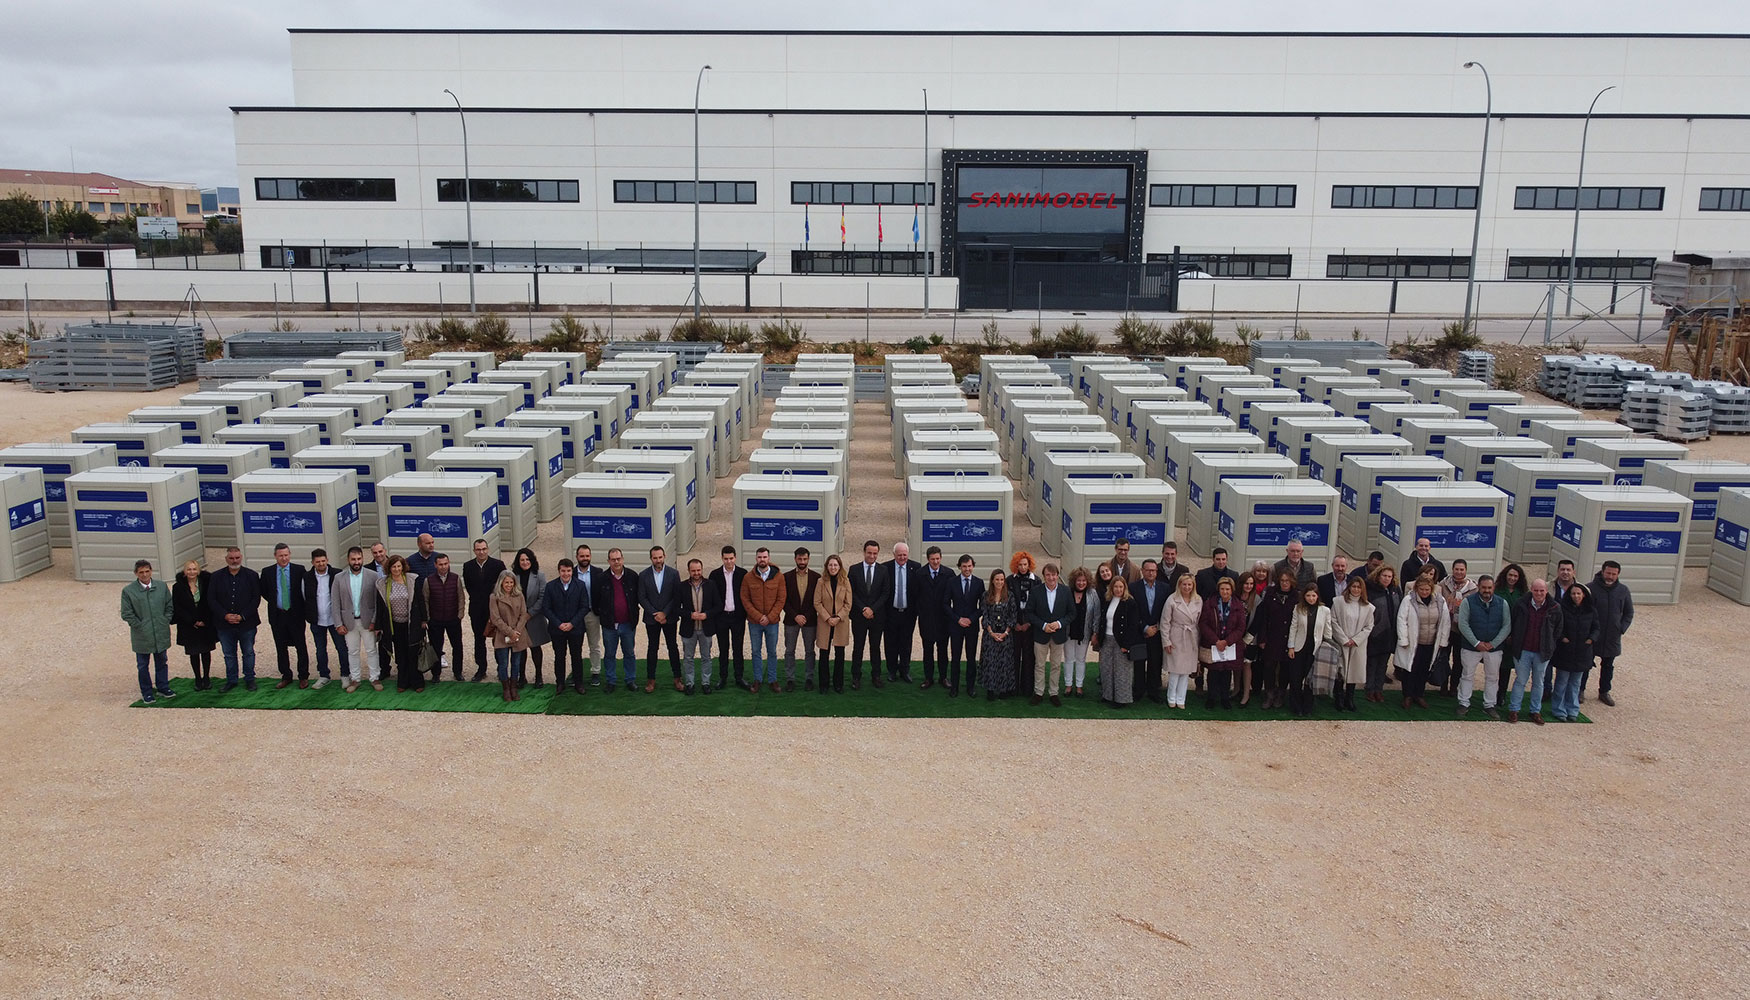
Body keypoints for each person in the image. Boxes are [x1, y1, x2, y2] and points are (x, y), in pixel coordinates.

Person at [1455, 574, 1510, 720]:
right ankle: (1464, 702)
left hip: (1494, 648)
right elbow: (1463, 624)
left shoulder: (1502, 603)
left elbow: (1506, 626)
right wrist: (1476, 643)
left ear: (1493, 588)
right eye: (1484, 587)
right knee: (1467, 675)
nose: (1487, 590)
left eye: (1489, 588)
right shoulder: (1467, 602)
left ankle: (1489, 705)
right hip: (1471, 647)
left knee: (1492, 677)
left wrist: (1494, 643)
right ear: (1479, 587)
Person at [1507, 578, 1561, 725]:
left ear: (1546, 591)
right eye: (1536, 590)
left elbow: (1558, 630)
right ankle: (1514, 710)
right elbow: (1513, 623)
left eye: (1542, 590)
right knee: (1520, 681)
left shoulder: (1554, 607)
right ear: (1531, 590)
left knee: (1539, 682)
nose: (1539, 593)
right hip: (1523, 650)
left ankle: (1535, 711)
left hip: (1542, 652)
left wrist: (1550, 645)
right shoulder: (1520, 604)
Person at [120, 559, 175, 703]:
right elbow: (126, 613)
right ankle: (147, 691)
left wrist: (164, 620)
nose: (144, 575)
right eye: (141, 572)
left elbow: (169, 606)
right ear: (136, 574)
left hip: (160, 631)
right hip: (142, 635)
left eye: (147, 571)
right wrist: (139, 625)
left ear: (151, 571)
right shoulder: (128, 591)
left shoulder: (162, 587)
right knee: (143, 665)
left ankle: (163, 687)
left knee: (162, 661)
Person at [260, 543, 312, 690]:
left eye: (286, 555)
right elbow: (264, 591)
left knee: (300, 646)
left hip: (295, 615)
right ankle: (286, 675)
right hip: (278, 615)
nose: (284, 558)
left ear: (290, 555)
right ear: (275, 556)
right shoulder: (267, 572)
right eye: (281, 555)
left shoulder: (299, 570)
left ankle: (303, 676)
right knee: (280, 646)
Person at [209, 546, 261, 692]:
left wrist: (242, 616)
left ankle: (250, 679)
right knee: (229, 654)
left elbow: (255, 598)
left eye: (237, 558)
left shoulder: (251, 575)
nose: (234, 560)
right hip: (224, 624)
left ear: (241, 557)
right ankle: (231, 680)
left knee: (248, 652)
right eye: (231, 558)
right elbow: (211, 599)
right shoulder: (216, 577)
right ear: (226, 559)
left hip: (247, 623)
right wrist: (225, 615)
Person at [1395, 574, 1449, 710]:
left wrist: (1443, 640)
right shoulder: (1408, 600)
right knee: (1410, 669)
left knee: (1424, 670)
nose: (1424, 592)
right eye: (1421, 589)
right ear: (1417, 588)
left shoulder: (1440, 601)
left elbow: (1445, 622)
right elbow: (1401, 619)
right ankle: (1407, 695)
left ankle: (1419, 694)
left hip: (1431, 642)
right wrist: (1403, 639)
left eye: (1427, 590)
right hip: (1413, 642)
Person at [375, 555, 427, 693]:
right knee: (401, 654)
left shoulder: (412, 580)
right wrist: (378, 626)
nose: (396, 569)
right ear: (389, 568)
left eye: (399, 566)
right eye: (393, 567)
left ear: (403, 566)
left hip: (412, 624)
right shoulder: (383, 584)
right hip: (395, 625)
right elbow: (380, 607)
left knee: (413, 653)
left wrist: (424, 620)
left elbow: (420, 601)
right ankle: (403, 682)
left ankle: (417, 682)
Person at [332, 546, 381, 693]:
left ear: (362, 559)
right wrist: (338, 623)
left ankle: (374, 678)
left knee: (372, 650)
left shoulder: (373, 576)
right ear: (348, 560)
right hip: (349, 622)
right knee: (352, 651)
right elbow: (335, 602)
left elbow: (378, 602)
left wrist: (374, 620)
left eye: (359, 559)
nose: (356, 562)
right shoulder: (339, 578)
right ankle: (355, 679)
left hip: (367, 621)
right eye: (353, 559)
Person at [1586, 560, 1634, 707]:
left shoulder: (1623, 591)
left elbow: (1629, 612)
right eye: (1608, 573)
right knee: (1585, 663)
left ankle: (1604, 692)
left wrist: (1621, 628)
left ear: (1618, 574)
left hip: (1612, 636)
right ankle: (1580, 690)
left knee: (1608, 665)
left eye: (1614, 574)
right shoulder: (1589, 588)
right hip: (1592, 635)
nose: (1610, 576)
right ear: (1602, 572)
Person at [1025, 562, 1073, 707]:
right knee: (1039, 665)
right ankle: (1038, 692)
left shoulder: (1066, 591)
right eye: (1048, 575)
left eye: (1053, 575)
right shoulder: (1036, 591)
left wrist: (1059, 624)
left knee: (1056, 665)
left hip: (1058, 635)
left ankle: (1054, 693)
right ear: (1044, 576)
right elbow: (1029, 612)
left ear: (1057, 575)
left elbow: (1071, 613)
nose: (1051, 578)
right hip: (1041, 634)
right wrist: (1044, 625)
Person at [1250, 570, 1298, 710]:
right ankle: (1269, 693)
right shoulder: (1271, 594)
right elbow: (1264, 617)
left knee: (1285, 668)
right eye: (1282, 580)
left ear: (1292, 582)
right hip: (1272, 637)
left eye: (1287, 581)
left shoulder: (1296, 596)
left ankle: (1281, 693)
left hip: (1288, 638)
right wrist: (1262, 638)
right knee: (1269, 667)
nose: (1284, 583)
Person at [1551, 581, 1597, 722]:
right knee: (1561, 682)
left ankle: (1573, 709)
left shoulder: (1591, 610)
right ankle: (1558, 709)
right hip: (1565, 651)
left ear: (1583, 595)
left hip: (1583, 652)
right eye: (1573, 593)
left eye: (1578, 593)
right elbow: (1557, 627)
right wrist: (1563, 638)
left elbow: (1596, 628)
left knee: (1575, 684)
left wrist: (1591, 639)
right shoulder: (1562, 609)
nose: (1576, 596)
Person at [639, 545, 684, 692]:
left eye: (660, 557)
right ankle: (651, 680)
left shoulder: (673, 573)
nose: (658, 560)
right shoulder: (643, 575)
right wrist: (655, 613)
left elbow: (676, 596)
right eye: (655, 558)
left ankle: (677, 678)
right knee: (652, 648)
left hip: (669, 618)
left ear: (664, 556)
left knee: (673, 647)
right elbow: (642, 597)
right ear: (651, 558)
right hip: (652, 619)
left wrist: (664, 613)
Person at [1198, 575, 1247, 710]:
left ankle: (1225, 698)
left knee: (1226, 672)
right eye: (1222, 589)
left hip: (1229, 645)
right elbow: (1203, 623)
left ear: (1232, 590)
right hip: (1213, 643)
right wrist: (1216, 640)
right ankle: (1211, 697)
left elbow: (1241, 627)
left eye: (1227, 589)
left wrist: (1227, 641)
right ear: (1218, 589)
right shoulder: (1210, 603)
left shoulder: (1238, 606)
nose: (1225, 592)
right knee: (1213, 672)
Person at [301, 548, 348, 689]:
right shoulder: (306, 577)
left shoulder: (338, 574)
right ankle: (323, 676)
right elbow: (304, 597)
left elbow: (344, 596)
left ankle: (346, 675)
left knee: (341, 648)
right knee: (320, 649)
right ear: (312, 562)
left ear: (327, 560)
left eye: (323, 561)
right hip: (317, 620)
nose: (321, 564)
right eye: (318, 562)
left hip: (335, 620)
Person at [597, 547, 642, 692]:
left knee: (629, 653)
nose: (616, 562)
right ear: (608, 561)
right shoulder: (602, 578)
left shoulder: (633, 576)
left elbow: (637, 598)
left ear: (623, 559)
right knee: (609, 654)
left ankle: (630, 679)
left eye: (618, 559)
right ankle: (611, 680)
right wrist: (604, 616)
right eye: (613, 559)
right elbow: (596, 600)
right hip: (609, 625)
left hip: (628, 623)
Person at [462, 538, 507, 683]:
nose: (481, 552)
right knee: (478, 639)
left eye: (484, 549)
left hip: (495, 609)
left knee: (498, 640)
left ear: (488, 549)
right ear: (474, 551)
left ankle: (501, 669)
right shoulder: (468, 566)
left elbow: (502, 586)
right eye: (478, 549)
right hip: (476, 609)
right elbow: (469, 586)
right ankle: (481, 669)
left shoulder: (498, 565)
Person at [741, 546, 785, 693]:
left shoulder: (779, 577)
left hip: (772, 622)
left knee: (772, 651)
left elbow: (781, 599)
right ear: (756, 559)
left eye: (764, 557)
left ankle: (773, 679)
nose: (762, 559)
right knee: (755, 651)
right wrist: (759, 616)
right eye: (759, 557)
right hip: (755, 623)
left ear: (769, 558)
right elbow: (745, 599)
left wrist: (770, 616)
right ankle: (757, 679)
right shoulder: (748, 578)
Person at [1284, 582, 1331, 717]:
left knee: (1310, 680)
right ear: (1304, 596)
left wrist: (1328, 647)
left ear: (1317, 596)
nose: (1311, 598)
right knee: (1295, 678)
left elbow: (1328, 632)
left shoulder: (1325, 611)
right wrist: (1291, 647)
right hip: (1299, 648)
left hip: (1315, 649)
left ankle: (1308, 706)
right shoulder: (1298, 608)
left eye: (1313, 596)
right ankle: (1296, 706)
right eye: (1308, 595)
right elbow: (1293, 628)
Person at [848, 540, 889, 690]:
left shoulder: (883, 570)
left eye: (875, 553)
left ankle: (876, 675)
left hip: (877, 617)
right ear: (864, 552)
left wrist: (873, 609)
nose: (872, 556)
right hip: (859, 616)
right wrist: (863, 609)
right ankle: (856, 676)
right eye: (869, 553)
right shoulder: (854, 570)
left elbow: (885, 593)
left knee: (875, 647)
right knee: (858, 647)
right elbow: (850, 592)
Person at [418, 554, 465, 686]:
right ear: (435, 565)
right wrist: (427, 618)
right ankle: (436, 674)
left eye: (445, 564)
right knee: (436, 648)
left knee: (457, 646)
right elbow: (425, 600)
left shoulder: (456, 578)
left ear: (449, 563)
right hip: (436, 620)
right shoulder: (429, 580)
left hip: (453, 619)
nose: (443, 566)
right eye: (440, 564)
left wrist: (460, 614)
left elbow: (461, 596)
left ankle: (457, 672)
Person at [543, 559, 588, 692]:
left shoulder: (580, 585)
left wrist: (572, 623)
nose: (566, 574)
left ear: (571, 571)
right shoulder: (550, 586)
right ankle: (560, 683)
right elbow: (546, 608)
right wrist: (558, 624)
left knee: (576, 656)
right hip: (557, 629)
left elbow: (584, 607)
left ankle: (578, 683)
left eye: (568, 571)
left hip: (575, 628)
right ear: (559, 571)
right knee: (559, 656)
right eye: (563, 571)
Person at [882, 542, 925, 684]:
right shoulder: (885, 568)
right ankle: (892, 671)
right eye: (899, 555)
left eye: (904, 555)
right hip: (891, 612)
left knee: (906, 643)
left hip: (908, 613)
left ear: (908, 554)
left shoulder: (916, 568)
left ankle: (905, 670)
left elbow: (918, 591)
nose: (902, 558)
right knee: (890, 642)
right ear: (894, 555)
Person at [1328, 574, 1372, 712]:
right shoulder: (1338, 602)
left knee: (1353, 671)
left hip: (1357, 644)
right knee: (1340, 671)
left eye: (1359, 587)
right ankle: (1339, 697)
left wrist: (1356, 640)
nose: (1356, 589)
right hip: (1342, 642)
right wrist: (1344, 639)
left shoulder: (1368, 607)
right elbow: (1333, 621)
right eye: (1354, 586)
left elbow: (1369, 626)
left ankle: (1350, 698)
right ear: (1349, 587)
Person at [1098, 576, 1144, 707]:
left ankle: (1121, 699)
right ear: (1111, 588)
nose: (1118, 589)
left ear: (1125, 588)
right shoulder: (1107, 600)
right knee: (1106, 668)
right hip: (1107, 639)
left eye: (1121, 587)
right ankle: (1107, 695)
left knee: (1122, 671)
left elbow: (1133, 626)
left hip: (1121, 641)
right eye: (1116, 587)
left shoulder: (1130, 603)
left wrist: (1126, 645)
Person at [170, 560, 215, 690]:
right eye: (189, 569)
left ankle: (206, 677)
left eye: (194, 569)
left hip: (205, 623)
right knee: (194, 653)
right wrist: (192, 621)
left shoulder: (206, 583)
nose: (192, 572)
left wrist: (204, 620)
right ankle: (197, 678)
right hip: (188, 625)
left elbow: (210, 602)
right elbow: (178, 607)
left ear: (198, 570)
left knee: (206, 652)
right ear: (185, 571)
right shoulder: (178, 587)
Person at [1434, 558, 1476, 694]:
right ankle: (1443, 684)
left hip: (1461, 629)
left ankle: (1454, 686)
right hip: (1446, 627)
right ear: (1452, 570)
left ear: (1466, 571)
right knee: (1443, 657)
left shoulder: (1472, 589)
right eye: (1456, 569)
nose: (1459, 572)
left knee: (1459, 659)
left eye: (1461, 569)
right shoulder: (1443, 584)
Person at [709, 546, 749, 691]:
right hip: (721, 617)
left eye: (731, 558)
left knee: (738, 648)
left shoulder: (743, 574)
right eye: (726, 559)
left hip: (737, 617)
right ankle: (723, 677)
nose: (729, 561)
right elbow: (712, 597)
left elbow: (746, 596)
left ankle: (739, 677)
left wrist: (744, 614)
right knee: (723, 648)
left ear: (735, 558)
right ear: (722, 558)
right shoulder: (715, 575)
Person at [1161, 572, 1202, 710]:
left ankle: (1181, 698)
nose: (1187, 587)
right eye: (1184, 584)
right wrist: (1166, 641)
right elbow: (1165, 622)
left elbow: (1199, 621)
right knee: (1175, 670)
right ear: (1179, 585)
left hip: (1191, 637)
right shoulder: (1172, 599)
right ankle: (1171, 697)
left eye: (1189, 584)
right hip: (1176, 636)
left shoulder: (1198, 600)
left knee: (1185, 672)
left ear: (1193, 585)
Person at [944, 554, 983, 697]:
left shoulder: (978, 583)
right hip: (956, 626)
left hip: (971, 626)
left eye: (969, 566)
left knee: (971, 658)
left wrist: (971, 619)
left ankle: (970, 687)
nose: (967, 569)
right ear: (959, 566)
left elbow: (982, 606)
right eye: (964, 566)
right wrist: (958, 619)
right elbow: (946, 604)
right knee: (955, 657)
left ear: (973, 566)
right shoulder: (952, 582)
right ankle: (954, 687)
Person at [783, 547, 821, 691]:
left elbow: (817, 601)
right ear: (795, 559)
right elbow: (783, 600)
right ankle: (790, 679)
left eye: (805, 559)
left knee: (810, 651)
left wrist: (806, 616)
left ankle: (809, 678)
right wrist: (795, 616)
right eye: (800, 559)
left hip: (809, 621)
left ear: (808, 559)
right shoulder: (786, 577)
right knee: (789, 651)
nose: (802, 562)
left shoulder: (816, 578)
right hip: (791, 620)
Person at [488, 570, 529, 702]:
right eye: (506, 582)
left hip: (518, 634)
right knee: (503, 663)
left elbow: (524, 614)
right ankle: (505, 688)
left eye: (511, 582)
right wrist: (509, 632)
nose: (509, 585)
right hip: (502, 634)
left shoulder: (519, 595)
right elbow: (495, 618)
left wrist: (516, 631)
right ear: (501, 583)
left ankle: (513, 687)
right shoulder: (494, 597)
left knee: (516, 663)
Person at [1132, 559, 1170, 704]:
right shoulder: (1133, 588)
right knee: (1139, 662)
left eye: (1153, 570)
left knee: (1155, 663)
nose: (1151, 573)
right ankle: (1139, 690)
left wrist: (1157, 627)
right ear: (1142, 571)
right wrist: (1144, 627)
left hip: (1157, 631)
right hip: (1140, 632)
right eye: (1148, 570)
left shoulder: (1165, 588)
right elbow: (1133, 611)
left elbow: (1167, 612)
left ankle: (1154, 691)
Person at [812, 553, 851, 693]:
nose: (833, 567)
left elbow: (848, 604)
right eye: (830, 565)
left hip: (840, 623)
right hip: (825, 622)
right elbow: (817, 602)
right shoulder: (821, 582)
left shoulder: (845, 581)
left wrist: (838, 617)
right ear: (826, 567)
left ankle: (838, 684)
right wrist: (828, 618)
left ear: (839, 566)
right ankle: (823, 684)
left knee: (839, 654)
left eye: (835, 565)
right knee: (824, 654)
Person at [680, 558, 720, 694]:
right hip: (688, 627)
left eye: (698, 570)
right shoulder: (682, 586)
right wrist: (689, 614)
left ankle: (705, 682)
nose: (696, 573)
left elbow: (718, 606)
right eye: (693, 571)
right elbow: (676, 608)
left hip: (706, 627)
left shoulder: (711, 585)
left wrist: (707, 615)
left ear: (702, 570)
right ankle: (690, 683)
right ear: (688, 571)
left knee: (706, 657)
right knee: (688, 657)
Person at [915, 546, 952, 690]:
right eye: (932, 559)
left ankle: (943, 677)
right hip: (926, 619)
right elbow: (915, 595)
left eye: (937, 559)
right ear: (928, 559)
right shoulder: (920, 574)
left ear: (941, 558)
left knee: (943, 650)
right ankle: (928, 678)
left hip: (943, 619)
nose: (935, 562)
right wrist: (921, 613)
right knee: (927, 650)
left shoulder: (948, 574)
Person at [1363, 565, 1401, 703]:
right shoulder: (1371, 590)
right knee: (1372, 663)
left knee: (1383, 664)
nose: (1387, 579)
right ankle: (1369, 689)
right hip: (1375, 633)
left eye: (1389, 576)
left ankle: (1378, 690)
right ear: (1378, 576)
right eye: (1384, 576)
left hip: (1390, 633)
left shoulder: (1395, 590)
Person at [510, 548, 547, 689]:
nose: (525, 562)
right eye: (522, 560)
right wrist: (519, 615)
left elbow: (542, 597)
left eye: (527, 559)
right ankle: (522, 676)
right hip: (518, 618)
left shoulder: (540, 576)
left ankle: (538, 676)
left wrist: (530, 613)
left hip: (534, 617)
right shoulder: (513, 576)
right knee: (520, 648)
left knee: (535, 647)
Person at [978, 570, 1016, 701]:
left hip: (1006, 635)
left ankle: (1004, 689)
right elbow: (985, 614)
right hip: (990, 634)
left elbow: (1013, 616)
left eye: (1002, 580)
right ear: (992, 581)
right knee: (990, 661)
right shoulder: (985, 596)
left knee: (1004, 662)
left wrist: (1005, 632)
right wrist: (991, 632)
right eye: (997, 579)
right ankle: (990, 689)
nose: (999, 582)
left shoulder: (1010, 596)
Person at [573, 544, 608, 685]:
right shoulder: (571, 573)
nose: (585, 558)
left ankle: (595, 671)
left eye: (587, 555)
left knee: (594, 645)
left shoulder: (598, 572)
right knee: (576, 646)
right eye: (582, 556)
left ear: (590, 556)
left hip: (592, 614)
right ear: (577, 557)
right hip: (575, 616)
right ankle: (577, 674)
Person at [1495, 562, 1530, 700]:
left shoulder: (1523, 594)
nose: (1512, 578)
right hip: (1498, 633)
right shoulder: (1497, 591)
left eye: (1516, 576)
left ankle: (1501, 694)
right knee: (1494, 666)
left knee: (1506, 667)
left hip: (1514, 635)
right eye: (1510, 575)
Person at [1064, 567, 1100, 697]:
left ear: (1088, 581)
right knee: (1068, 659)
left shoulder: (1092, 594)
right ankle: (1068, 685)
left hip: (1084, 633)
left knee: (1081, 659)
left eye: (1084, 580)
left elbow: (1097, 614)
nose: (1081, 583)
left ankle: (1079, 686)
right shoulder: (1067, 592)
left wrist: (1095, 632)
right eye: (1079, 580)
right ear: (1074, 581)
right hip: (1068, 632)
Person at [1009, 552, 1040, 697]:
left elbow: (1039, 604)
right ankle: (1012, 687)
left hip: (1030, 625)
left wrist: (1028, 622)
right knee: (1013, 656)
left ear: (1029, 565)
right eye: (1020, 564)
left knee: (1029, 657)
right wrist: (1014, 623)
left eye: (1025, 564)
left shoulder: (1036, 581)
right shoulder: (1010, 580)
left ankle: (1027, 688)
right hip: (1014, 625)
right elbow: (1008, 603)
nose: (1022, 567)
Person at [1236, 571, 1261, 705]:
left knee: (1247, 665)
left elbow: (1257, 621)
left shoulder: (1257, 600)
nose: (1249, 586)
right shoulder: (1235, 597)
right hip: (1235, 637)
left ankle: (1246, 694)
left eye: (1251, 584)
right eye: (1246, 583)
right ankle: (1236, 689)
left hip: (1250, 638)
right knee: (1236, 665)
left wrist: (1246, 639)